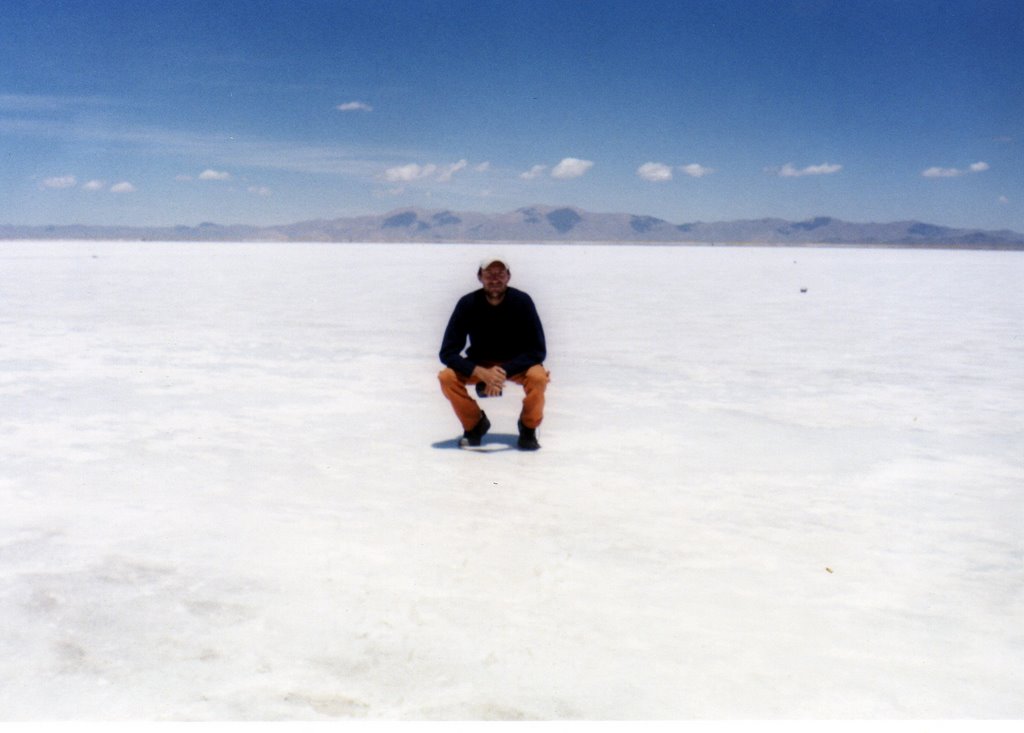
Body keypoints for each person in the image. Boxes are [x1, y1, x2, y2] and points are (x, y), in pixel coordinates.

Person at [438, 256, 549, 450]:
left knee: (538, 377)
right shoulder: (468, 304)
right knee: (447, 377)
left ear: (508, 277)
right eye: (489, 274)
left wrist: (501, 372)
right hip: (480, 364)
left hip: (516, 364)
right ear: (480, 277)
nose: (495, 279)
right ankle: (474, 424)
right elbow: (447, 352)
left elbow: (537, 350)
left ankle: (528, 428)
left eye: (500, 274)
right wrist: (479, 372)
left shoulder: (522, 302)